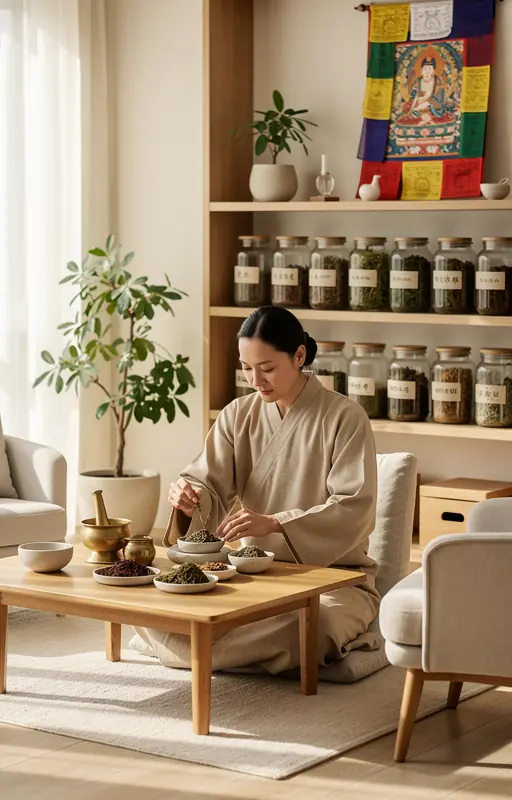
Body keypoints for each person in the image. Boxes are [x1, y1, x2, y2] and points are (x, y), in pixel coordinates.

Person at [130, 307, 381, 675]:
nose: (255, 380)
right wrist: (187, 495)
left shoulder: (345, 417)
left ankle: (199, 650)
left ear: (299, 356)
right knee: (149, 602)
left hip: (330, 579)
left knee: (317, 625)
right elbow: (207, 483)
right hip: (249, 574)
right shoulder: (237, 414)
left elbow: (354, 507)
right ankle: (235, 652)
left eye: (266, 368)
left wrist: (276, 523)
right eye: (246, 368)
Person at [398, 56, 455, 126]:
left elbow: (439, 101)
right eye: (425, 68)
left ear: (433, 71)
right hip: (418, 107)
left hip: (433, 108)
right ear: (421, 70)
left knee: (438, 108)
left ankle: (425, 119)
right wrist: (415, 105)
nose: (427, 72)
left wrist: (428, 103)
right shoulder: (418, 81)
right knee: (407, 107)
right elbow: (412, 98)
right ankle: (427, 120)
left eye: (430, 68)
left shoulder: (438, 81)